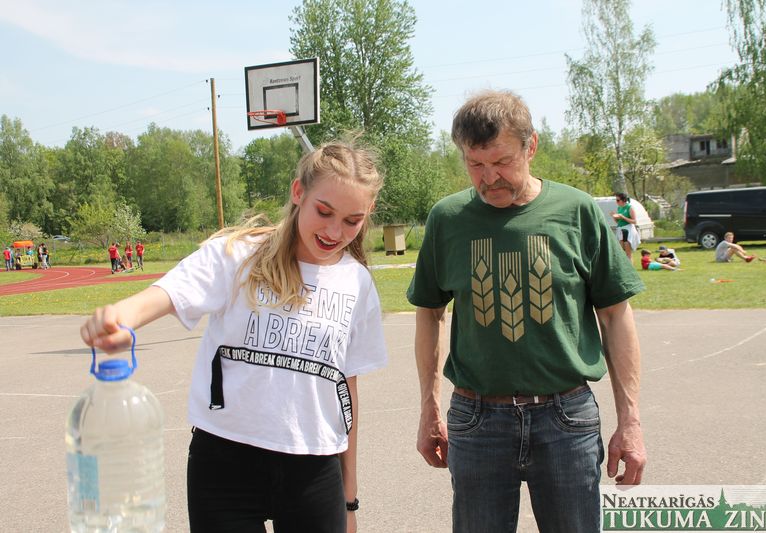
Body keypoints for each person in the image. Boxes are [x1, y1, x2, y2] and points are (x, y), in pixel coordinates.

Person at [80, 142, 387, 533]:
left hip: (313, 469)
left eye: (352, 220)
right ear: (298, 192)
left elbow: (346, 392)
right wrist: (121, 317)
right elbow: (169, 292)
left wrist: (349, 499)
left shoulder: (356, 282)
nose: (333, 231)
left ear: (367, 214)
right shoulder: (237, 255)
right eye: (324, 212)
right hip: (224, 465)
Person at [407, 90, 646, 533]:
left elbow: (615, 315)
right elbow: (430, 314)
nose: (489, 178)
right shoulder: (448, 219)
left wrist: (629, 421)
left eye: (502, 161)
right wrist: (428, 410)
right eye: (475, 164)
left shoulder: (576, 211)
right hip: (477, 421)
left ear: (530, 146)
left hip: (566, 418)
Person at [611, 192, 639, 260]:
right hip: (620, 229)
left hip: (628, 230)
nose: (616, 202)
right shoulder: (619, 208)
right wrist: (614, 217)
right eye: (616, 200)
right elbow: (618, 222)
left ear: (623, 200)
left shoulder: (629, 207)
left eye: (618, 200)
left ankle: (630, 266)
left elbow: (634, 221)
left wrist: (623, 217)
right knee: (621, 251)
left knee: (628, 252)